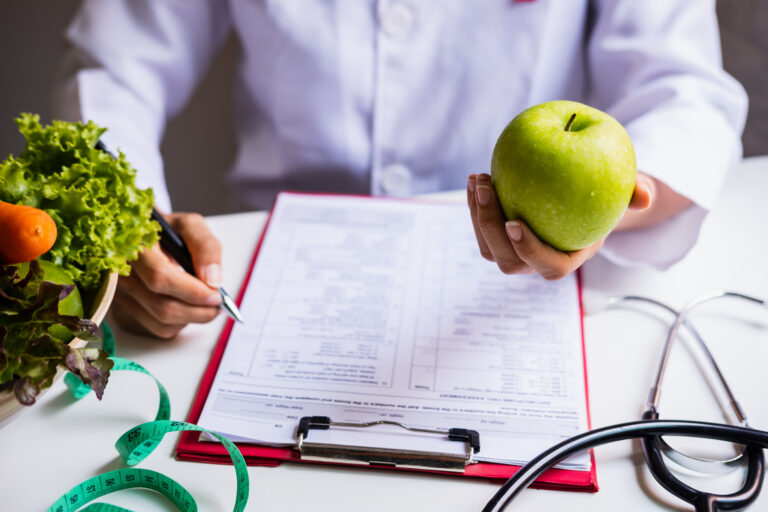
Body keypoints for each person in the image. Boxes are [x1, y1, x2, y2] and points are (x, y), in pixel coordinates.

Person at [53, 0, 747, 339]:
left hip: (529, 302)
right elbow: (113, 69)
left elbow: (685, 92)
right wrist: (122, 232)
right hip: (268, 268)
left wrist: (606, 209)